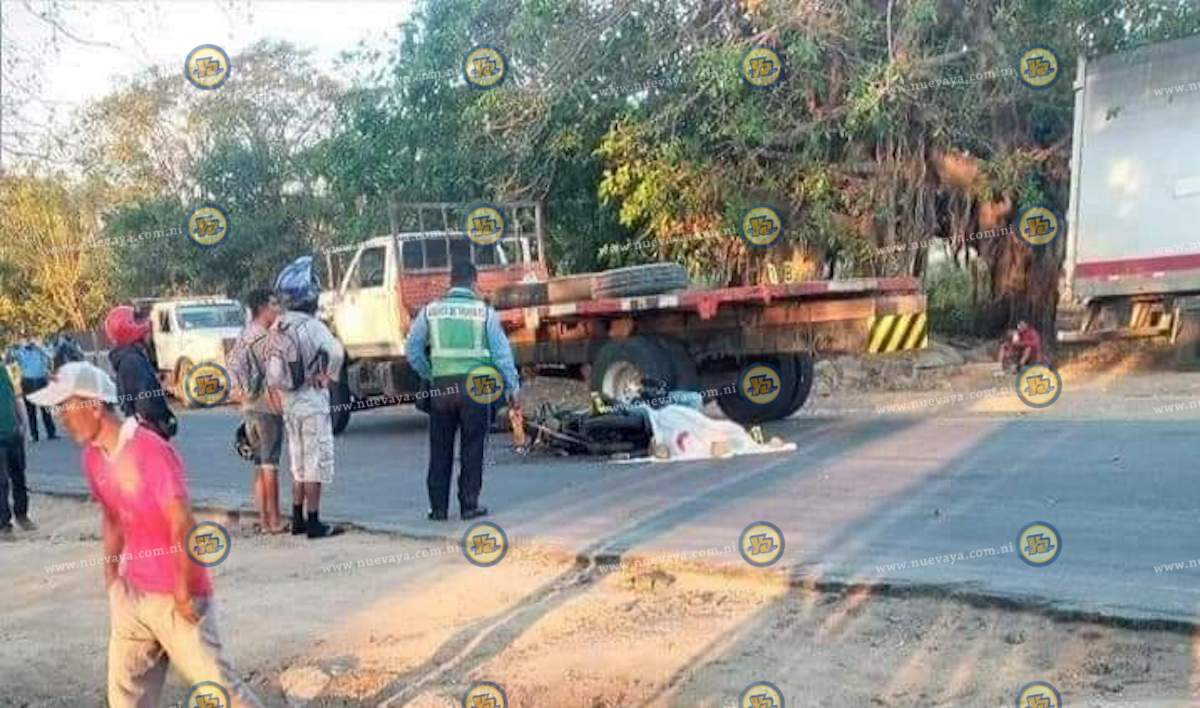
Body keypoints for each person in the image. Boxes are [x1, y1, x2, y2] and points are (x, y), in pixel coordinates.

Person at [28, 362, 262, 707]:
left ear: (94, 407)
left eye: (66, 406)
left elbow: (182, 522)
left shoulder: (150, 450)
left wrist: (183, 591)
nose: (60, 416)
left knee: (220, 692)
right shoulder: (93, 458)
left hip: (176, 596)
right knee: (125, 698)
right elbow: (111, 517)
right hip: (132, 594)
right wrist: (111, 578)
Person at [406, 259, 521, 522]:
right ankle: (469, 505)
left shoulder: (431, 311)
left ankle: (438, 509)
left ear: (451, 281)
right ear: (474, 282)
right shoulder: (484, 313)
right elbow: (502, 356)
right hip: (476, 388)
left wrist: (431, 373)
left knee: (440, 449)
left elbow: (412, 350)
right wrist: (513, 388)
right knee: (472, 447)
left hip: (442, 388)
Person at [267, 256, 344, 539]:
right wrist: (329, 376)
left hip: (289, 402)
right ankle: (314, 522)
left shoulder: (278, 326)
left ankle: (297, 517)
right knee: (315, 463)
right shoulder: (313, 326)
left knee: (297, 463)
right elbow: (335, 352)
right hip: (312, 401)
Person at [229, 289, 286, 533]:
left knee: (259, 462)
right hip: (266, 406)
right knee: (270, 464)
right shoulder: (265, 339)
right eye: (274, 305)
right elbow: (274, 376)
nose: (278, 310)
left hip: (249, 405)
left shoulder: (243, 336)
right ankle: (274, 521)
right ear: (262, 308)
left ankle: (263, 518)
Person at [106, 305, 177, 439]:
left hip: (141, 431)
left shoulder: (129, 358)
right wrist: (162, 423)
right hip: (148, 432)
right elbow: (145, 403)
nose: (149, 334)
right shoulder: (133, 361)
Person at [0, 358, 32, 540]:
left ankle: (22, 515)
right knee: (1, 482)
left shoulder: (9, 371)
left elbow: (18, 399)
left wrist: (24, 426)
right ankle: (4, 524)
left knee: (19, 475)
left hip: (14, 433)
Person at [8, 337, 57, 441]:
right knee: (31, 411)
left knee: (46, 410)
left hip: (41, 381)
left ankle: (51, 433)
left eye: (31, 341)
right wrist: (16, 346)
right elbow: (10, 357)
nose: (30, 343)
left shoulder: (40, 351)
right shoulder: (21, 352)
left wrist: (39, 348)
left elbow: (51, 356)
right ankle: (34, 435)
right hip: (28, 383)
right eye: (28, 341)